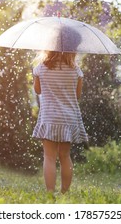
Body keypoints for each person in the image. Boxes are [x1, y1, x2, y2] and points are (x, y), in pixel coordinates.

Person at [32, 50, 88, 193]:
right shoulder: (76, 70)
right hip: (67, 118)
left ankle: (50, 191)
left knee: (49, 156)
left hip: (49, 116)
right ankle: (64, 192)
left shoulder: (41, 68)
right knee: (65, 155)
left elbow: (38, 90)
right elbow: (77, 95)